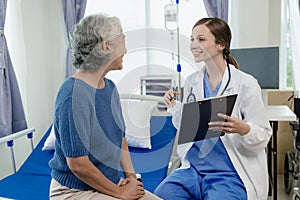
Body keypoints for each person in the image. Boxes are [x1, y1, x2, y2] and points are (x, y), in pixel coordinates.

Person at [154, 17, 272, 200]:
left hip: (229, 174)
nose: (193, 44)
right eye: (192, 39)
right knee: (162, 194)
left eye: (201, 39)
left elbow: (263, 133)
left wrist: (244, 129)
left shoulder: (245, 84)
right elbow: (189, 127)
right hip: (194, 170)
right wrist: (175, 108)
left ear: (221, 45)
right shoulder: (192, 82)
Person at [49, 14, 161, 200]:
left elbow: (120, 138)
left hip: (109, 184)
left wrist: (132, 179)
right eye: (123, 40)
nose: (126, 49)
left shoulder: (109, 88)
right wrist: (120, 193)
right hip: (73, 191)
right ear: (106, 46)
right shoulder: (72, 94)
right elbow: (77, 164)